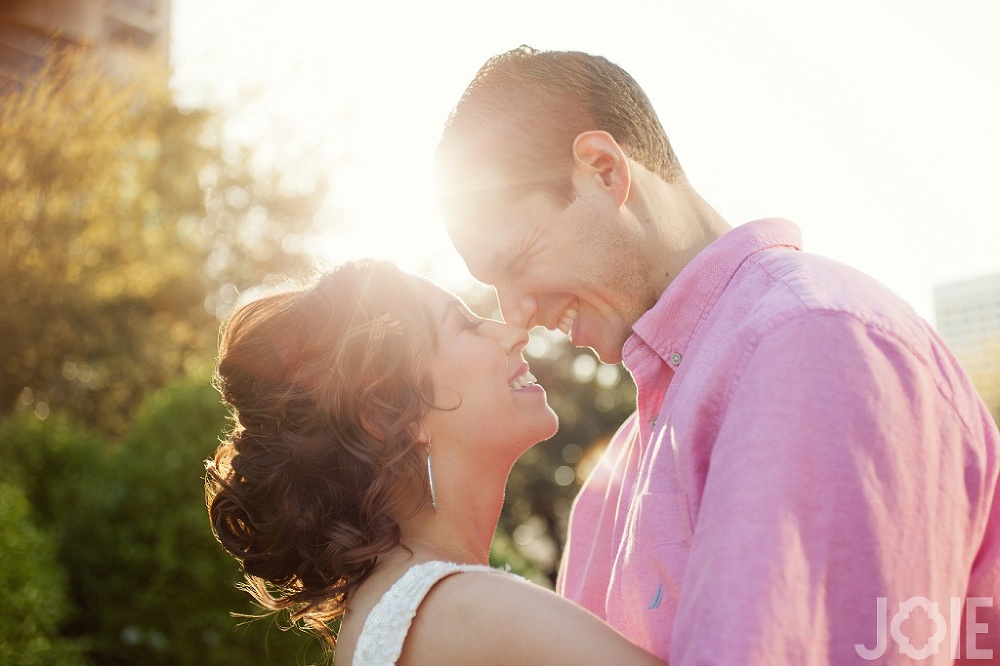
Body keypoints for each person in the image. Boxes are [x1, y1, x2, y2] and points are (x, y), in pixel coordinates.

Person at [435, 45, 1000, 664]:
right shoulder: (613, 478)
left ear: (603, 170)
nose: (515, 315)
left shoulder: (812, 345)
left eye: (515, 263)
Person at [204, 258, 666, 665]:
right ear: (387, 415)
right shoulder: (465, 611)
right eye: (464, 325)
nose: (513, 333)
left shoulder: (406, 609)